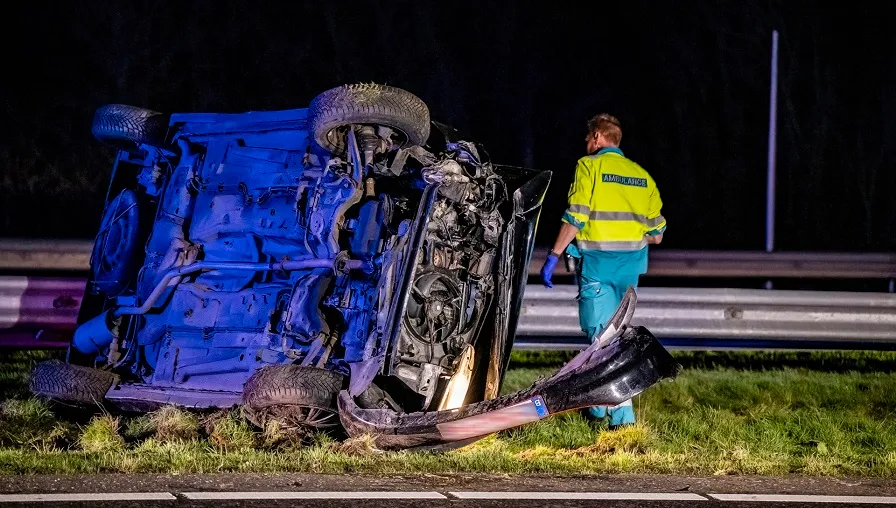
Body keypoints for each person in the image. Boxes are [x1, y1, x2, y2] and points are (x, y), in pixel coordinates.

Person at [540, 113, 666, 430]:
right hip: (630, 270)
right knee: (612, 338)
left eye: (587, 138)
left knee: (601, 339)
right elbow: (657, 233)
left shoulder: (590, 167)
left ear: (598, 137)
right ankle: (596, 408)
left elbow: (576, 217)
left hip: (597, 265)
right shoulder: (642, 176)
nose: (586, 144)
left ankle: (621, 416)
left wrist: (554, 254)